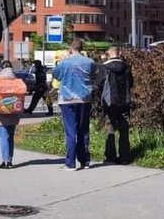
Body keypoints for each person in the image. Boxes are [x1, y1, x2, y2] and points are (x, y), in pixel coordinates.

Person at [52, 38, 96, 171]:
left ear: (71, 49)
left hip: (68, 98)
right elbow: (92, 76)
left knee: (71, 131)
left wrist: (62, 61)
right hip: (84, 98)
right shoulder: (90, 62)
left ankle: (70, 163)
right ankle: (85, 161)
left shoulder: (65, 62)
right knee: (83, 130)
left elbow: (56, 76)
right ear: (82, 48)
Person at [0, 67, 24, 169]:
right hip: (14, 115)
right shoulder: (17, 82)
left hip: (0, 115)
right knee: (10, 137)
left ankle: (5, 161)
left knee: (3, 138)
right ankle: (10, 160)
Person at [101, 46, 134, 164]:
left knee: (110, 128)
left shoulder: (104, 67)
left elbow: (99, 84)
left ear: (108, 54)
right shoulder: (126, 67)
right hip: (124, 100)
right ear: (119, 53)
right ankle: (125, 157)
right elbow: (131, 83)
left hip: (110, 102)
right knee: (124, 129)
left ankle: (110, 157)